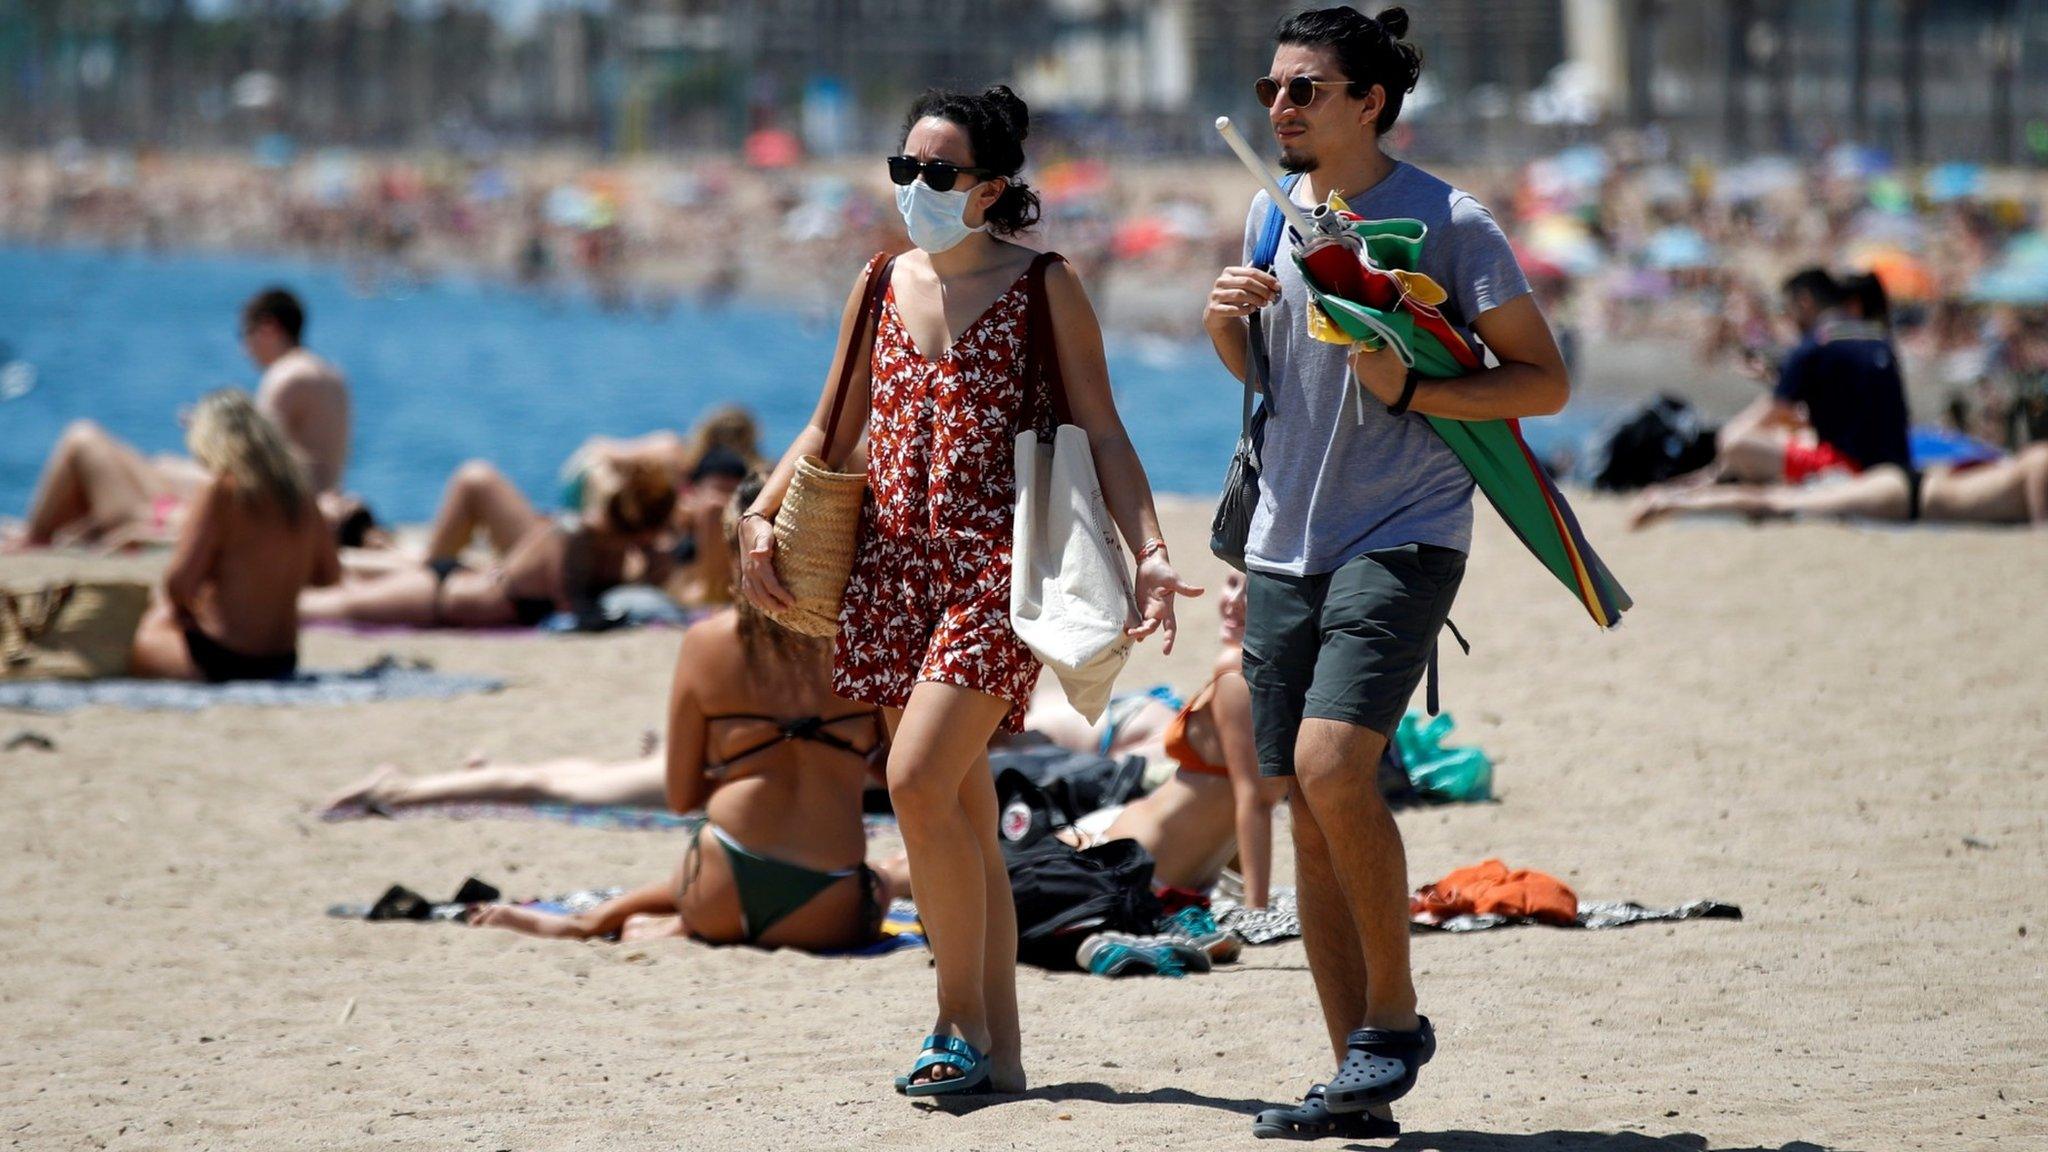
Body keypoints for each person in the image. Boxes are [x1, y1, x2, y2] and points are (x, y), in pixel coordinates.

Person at [738, 85, 1199, 1098]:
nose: (914, 188)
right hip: (890, 569)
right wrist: (759, 515)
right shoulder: (876, 281)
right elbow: (826, 432)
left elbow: (1106, 430)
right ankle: (1001, 1051)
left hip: (1000, 568)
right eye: (903, 169)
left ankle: (950, 1019)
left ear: (990, 188)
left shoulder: (1044, 286)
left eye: (937, 173)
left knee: (911, 782)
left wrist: (1151, 554)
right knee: (955, 802)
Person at [1202, 8, 1567, 1138]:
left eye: (1303, 90)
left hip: (1402, 530)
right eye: (1270, 90)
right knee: (1301, 808)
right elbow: (1262, 379)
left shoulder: (1446, 221)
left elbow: (1540, 381)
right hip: (1279, 537)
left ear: (1369, 101)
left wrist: (1414, 393)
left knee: (1331, 766)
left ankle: (1394, 1021)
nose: (1278, 109)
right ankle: (1352, 1078)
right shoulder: (1274, 209)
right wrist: (1226, 320)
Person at [468, 489, 893, 950]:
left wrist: (749, 765)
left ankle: (600, 921)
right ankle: (647, 924)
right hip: (828, 912)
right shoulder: (864, 640)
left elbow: (682, 796)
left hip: (718, 890)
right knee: (886, 879)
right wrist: (838, 756)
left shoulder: (706, 642)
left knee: (727, 848)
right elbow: (902, 777)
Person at [11, 287, 352, 550]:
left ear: (268, 329)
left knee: (85, 440)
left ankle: (34, 538)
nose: (243, 348)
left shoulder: (285, 377)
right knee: (162, 464)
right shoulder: (330, 375)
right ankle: (52, 531)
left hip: (275, 516)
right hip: (297, 512)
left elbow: (256, 466)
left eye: (244, 336)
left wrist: (210, 433)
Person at [299, 456, 674, 628]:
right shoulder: (574, 536)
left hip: (462, 587)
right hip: (442, 597)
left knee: (337, 593)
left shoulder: (603, 546)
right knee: (322, 605)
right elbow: (572, 608)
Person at [128, 391, 340, 681]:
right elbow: (329, 575)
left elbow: (178, 584)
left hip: (223, 659)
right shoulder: (300, 494)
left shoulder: (222, 490)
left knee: (148, 627)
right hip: (282, 661)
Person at [1710, 268, 1911, 486]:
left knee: (1738, 444)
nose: (1789, 318)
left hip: (1848, 468)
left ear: (1805, 300)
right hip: (1896, 466)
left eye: (1788, 309)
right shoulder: (1877, 337)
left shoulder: (1814, 345)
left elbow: (1747, 428)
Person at [1630, 442, 2048, 528]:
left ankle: (1679, 499)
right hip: (1907, 496)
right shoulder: (2044, 461)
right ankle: (1676, 500)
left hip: (1910, 488)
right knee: (1778, 502)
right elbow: (2040, 523)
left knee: (1781, 499)